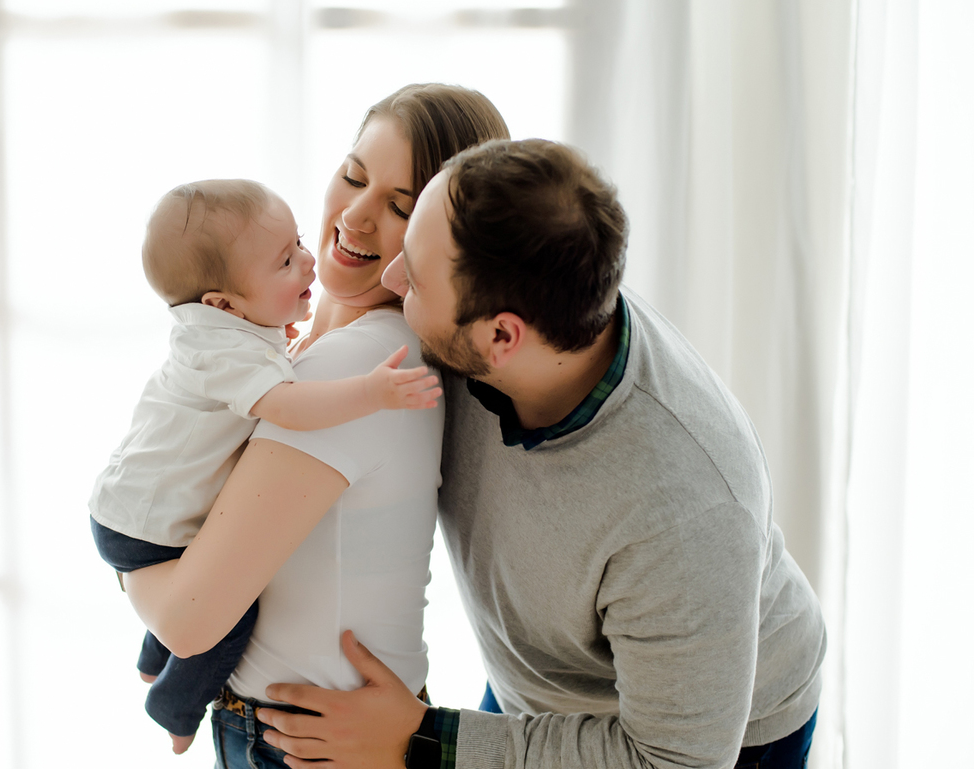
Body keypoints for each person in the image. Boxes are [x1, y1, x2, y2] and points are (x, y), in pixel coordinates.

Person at [255, 139, 827, 769]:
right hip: (543, 684)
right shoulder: (512, 280)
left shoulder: (686, 507)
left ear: (501, 336)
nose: (389, 280)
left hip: (706, 738)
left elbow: (675, 759)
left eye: (413, 280)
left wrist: (420, 740)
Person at [114, 83, 511, 765]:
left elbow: (188, 618)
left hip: (295, 740)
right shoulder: (295, 353)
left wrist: (121, 548)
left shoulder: (360, 367)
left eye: (400, 205)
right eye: (354, 175)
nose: (355, 217)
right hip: (284, 728)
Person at [88, 178, 442, 749]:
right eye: (285, 262)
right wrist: (371, 393)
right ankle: (175, 712)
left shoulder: (236, 330)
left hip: (135, 510)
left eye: (298, 242)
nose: (308, 259)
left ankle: (153, 661)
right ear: (223, 305)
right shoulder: (233, 351)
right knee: (231, 622)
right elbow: (289, 406)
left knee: (198, 581)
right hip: (142, 528)